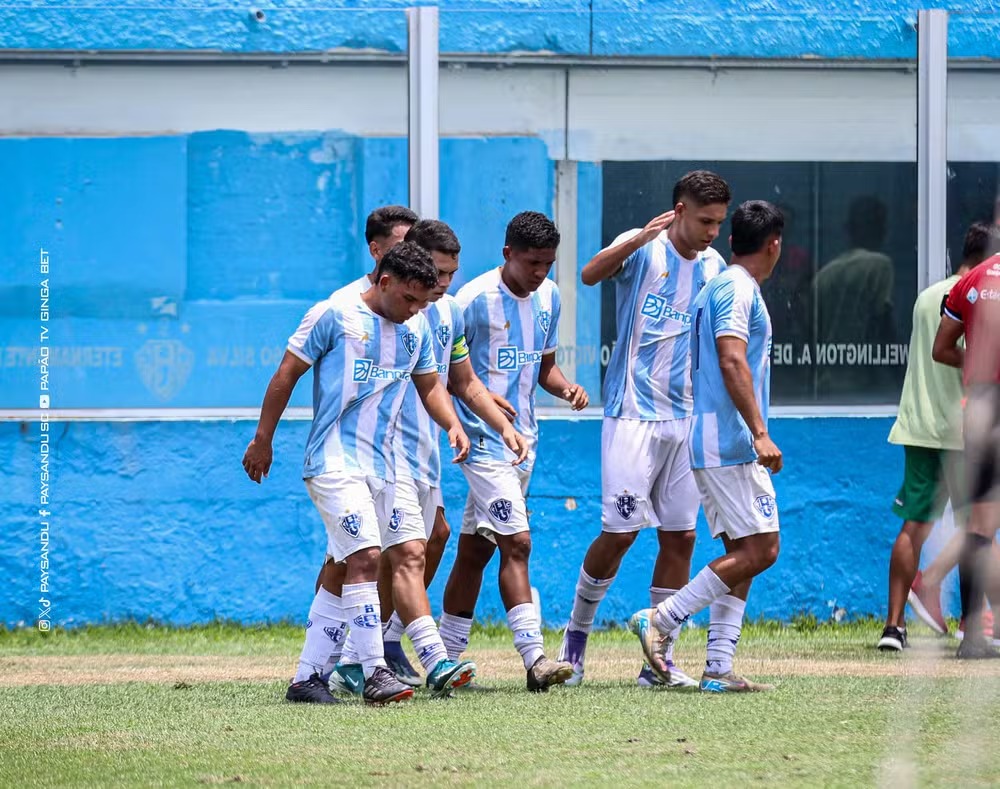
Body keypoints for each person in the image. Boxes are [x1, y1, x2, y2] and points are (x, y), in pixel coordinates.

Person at [243, 241, 474, 704]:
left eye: (422, 302)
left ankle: (307, 679)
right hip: (334, 463)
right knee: (367, 556)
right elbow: (286, 373)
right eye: (409, 299)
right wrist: (263, 439)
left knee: (382, 554)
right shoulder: (334, 315)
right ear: (384, 281)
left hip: (388, 467)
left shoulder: (417, 329)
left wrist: (452, 424)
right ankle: (373, 672)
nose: (414, 310)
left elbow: (430, 385)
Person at [557, 170, 731, 688]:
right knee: (621, 532)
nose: (711, 233)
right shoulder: (643, 249)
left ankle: (658, 660)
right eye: (704, 221)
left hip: (687, 419)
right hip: (632, 412)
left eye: (719, 223)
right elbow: (589, 275)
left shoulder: (715, 266)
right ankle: (575, 642)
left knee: (680, 538)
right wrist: (639, 237)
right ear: (679, 210)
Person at [364, 220, 529, 686]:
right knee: (394, 552)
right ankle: (405, 655)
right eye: (436, 272)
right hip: (383, 452)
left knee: (431, 539)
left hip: (426, 452)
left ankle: (377, 646)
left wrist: (500, 428)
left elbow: (462, 381)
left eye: (450, 274)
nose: (442, 283)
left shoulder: (449, 313)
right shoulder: (386, 311)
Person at [629, 200, 784, 693]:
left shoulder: (717, 284)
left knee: (743, 549)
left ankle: (718, 667)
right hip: (729, 441)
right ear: (774, 243)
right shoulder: (738, 288)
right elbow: (732, 359)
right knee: (763, 549)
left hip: (712, 439)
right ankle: (661, 620)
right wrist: (759, 431)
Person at [437, 211, 590, 692]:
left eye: (547, 263)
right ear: (507, 254)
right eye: (531, 263)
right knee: (518, 542)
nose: (540, 272)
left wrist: (566, 389)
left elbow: (545, 369)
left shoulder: (550, 298)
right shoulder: (472, 301)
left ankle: (446, 659)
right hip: (483, 444)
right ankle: (536, 660)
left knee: (476, 550)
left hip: (523, 442)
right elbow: (444, 376)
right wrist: (480, 408)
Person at [876, 224, 997, 651]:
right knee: (977, 528)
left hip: (920, 425)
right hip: (967, 428)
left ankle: (893, 628)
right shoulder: (980, 293)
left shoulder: (930, 297)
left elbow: (934, 355)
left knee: (914, 528)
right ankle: (972, 623)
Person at [933, 237, 1000, 659]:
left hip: (979, 408)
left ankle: (972, 635)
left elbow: (942, 349)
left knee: (978, 522)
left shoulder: (974, 277)